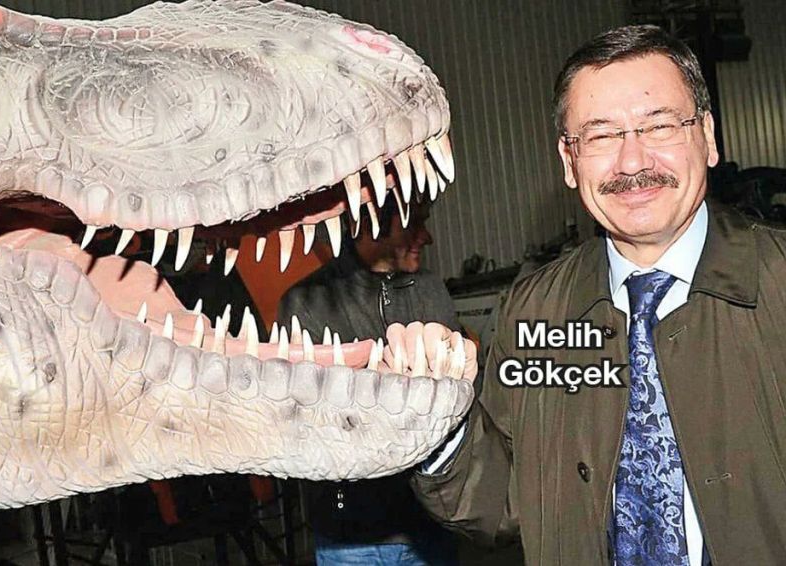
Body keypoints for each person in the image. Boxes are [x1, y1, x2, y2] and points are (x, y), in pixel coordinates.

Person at [406, 24, 786, 565]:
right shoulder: (534, 312)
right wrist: (434, 421)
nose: (632, 163)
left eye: (659, 126)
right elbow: (508, 499)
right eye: (601, 136)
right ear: (569, 161)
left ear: (707, 136)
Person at [277, 194, 461, 566]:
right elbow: (299, 426)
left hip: (430, 527)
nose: (426, 236)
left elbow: (455, 403)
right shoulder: (305, 302)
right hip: (350, 538)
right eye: (414, 222)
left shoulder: (431, 290)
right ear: (372, 222)